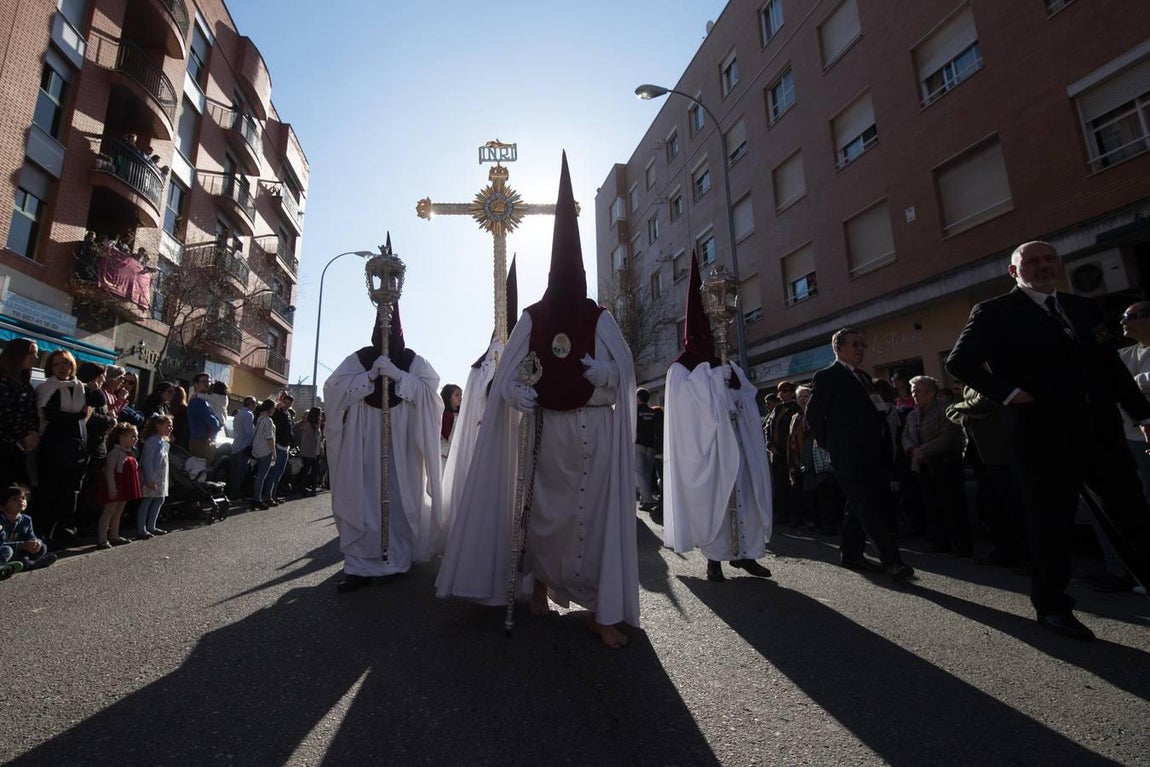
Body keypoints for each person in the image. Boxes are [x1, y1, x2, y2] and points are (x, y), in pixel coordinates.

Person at [436, 153, 639, 648]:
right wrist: (515, 394)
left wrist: (607, 373)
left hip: (596, 433)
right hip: (548, 434)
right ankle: (540, 589)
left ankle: (599, 610)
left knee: (595, 521)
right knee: (545, 516)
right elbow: (504, 378)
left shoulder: (601, 317)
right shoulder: (532, 316)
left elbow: (626, 377)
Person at [946, 240, 1150, 639]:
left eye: (1048, 259)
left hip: (1099, 431)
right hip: (1041, 436)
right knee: (1050, 522)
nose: (1042, 266)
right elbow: (959, 361)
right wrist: (1010, 393)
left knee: (1133, 512)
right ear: (1014, 270)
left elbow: (1112, 369)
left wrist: (1143, 415)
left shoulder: (1083, 308)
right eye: (1032, 261)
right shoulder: (994, 312)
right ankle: (1053, 607)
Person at [662, 252, 773, 583]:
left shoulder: (726, 361)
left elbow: (747, 397)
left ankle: (747, 554)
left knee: (746, 500)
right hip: (708, 452)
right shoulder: (680, 369)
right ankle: (716, 560)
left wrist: (732, 388)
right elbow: (685, 410)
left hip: (737, 445)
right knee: (717, 502)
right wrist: (712, 384)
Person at [324, 302, 444, 592]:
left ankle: (397, 559)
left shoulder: (414, 361)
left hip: (403, 442)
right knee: (362, 498)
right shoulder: (360, 358)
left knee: (402, 498)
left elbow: (432, 396)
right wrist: (369, 378)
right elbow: (332, 389)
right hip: (362, 443)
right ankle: (359, 566)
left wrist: (400, 375)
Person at [805, 328, 915, 581]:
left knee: (859, 505)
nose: (860, 349)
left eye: (862, 345)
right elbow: (813, 415)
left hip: (872, 453)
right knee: (867, 505)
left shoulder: (864, 377)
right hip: (847, 455)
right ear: (838, 348)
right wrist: (830, 445)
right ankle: (892, 561)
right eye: (854, 344)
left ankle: (851, 554)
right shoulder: (827, 376)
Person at [441, 258, 518, 537]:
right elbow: (478, 399)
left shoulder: (526, 363)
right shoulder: (480, 370)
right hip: (484, 441)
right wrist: (493, 363)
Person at [902, 375, 970, 556]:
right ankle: (938, 541)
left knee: (952, 503)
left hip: (944, 463)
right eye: (913, 391)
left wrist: (923, 450)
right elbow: (906, 436)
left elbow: (948, 437)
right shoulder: (913, 414)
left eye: (918, 391)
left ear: (931, 393)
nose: (914, 394)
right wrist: (912, 450)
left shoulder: (945, 410)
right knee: (931, 504)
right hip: (923, 465)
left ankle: (960, 543)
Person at [33, 350, 89, 542]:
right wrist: (77, 415)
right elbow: (52, 416)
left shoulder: (80, 387)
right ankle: (44, 534)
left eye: (65, 363)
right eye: (57, 364)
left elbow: (95, 402)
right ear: (50, 367)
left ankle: (64, 533)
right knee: (50, 493)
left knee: (69, 495)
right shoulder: (46, 388)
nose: (62, 367)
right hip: (53, 448)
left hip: (76, 449)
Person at [0, 338, 40, 489]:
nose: (35, 357)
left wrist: (33, 433)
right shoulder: (2, 381)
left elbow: (32, 412)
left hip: (20, 453)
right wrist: (21, 437)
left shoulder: (26, 384)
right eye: (31, 353)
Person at [96, 422, 141, 549]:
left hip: (124, 487)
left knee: (119, 511)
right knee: (109, 511)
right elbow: (109, 472)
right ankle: (102, 538)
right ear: (122, 437)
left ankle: (114, 535)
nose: (135, 440)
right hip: (116, 486)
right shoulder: (115, 453)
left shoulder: (129, 452)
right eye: (132, 437)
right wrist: (112, 487)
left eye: (136, 437)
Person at [1, 483, 56, 572]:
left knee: (42, 547)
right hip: (7, 551)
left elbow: (31, 536)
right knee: (8, 551)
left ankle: (25, 563)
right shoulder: (1, 521)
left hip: (20, 550)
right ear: (2, 507)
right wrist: (22, 545)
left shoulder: (26, 519)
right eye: (15, 499)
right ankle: (31, 564)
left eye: (23, 498)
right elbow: (1, 544)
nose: (21, 501)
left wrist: (36, 542)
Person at [136, 414, 172, 539]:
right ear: (158, 426)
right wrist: (149, 479)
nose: (170, 428)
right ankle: (142, 528)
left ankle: (151, 526)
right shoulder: (152, 441)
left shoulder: (162, 441)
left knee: (159, 499)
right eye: (168, 425)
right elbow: (147, 460)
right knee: (147, 500)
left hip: (160, 477)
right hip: (152, 476)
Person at [248, 400, 278, 510]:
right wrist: (274, 453)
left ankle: (256, 497)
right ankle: (257, 499)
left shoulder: (259, 418)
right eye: (274, 408)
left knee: (258, 476)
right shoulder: (268, 420)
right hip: (265, 450)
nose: (274, 410)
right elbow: (270, 438)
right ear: (269, 408)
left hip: (256, 450)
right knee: (261, 476)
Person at [266, 391, 295, 500]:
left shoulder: (288, 414)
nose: (287, 405)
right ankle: (268, 496)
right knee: (273, 473)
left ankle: (274, 495)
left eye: (289, 404)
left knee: (279, 474)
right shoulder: (277, 413)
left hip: (286, 447)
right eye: (285, 403)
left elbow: (289, 429)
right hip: (278, 446)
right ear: (281, 402)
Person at [635, 388, 660, 511]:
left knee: (638, 473)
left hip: (638, 445)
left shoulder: (635, 411)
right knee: (647, 474)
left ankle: (648, 500)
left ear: (638, 398)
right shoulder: (652, 412)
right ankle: (645, 501)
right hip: (651, 446)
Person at [186, 373, 220, 461]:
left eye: (208, 381)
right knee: (200, 471)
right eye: (203, 381)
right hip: (200, 442)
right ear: (196, 384)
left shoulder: (204, 401)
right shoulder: (198, 402)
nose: (207, 384)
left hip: (202, 440)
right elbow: (213, 422)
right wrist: (217, 422)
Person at [228, 396, 256, 500]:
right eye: (255, 404)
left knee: (234, 471)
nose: (255, 406)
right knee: (240, 472)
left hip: (236, 445)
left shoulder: (238, 414)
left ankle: (231, 492)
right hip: (244, 446)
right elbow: (249, 432)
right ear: (251, 404)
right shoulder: (249, 415)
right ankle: (236, 493)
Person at [296, 407, 323, 497]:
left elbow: (319, 439)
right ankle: (302, 489)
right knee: (306, 471)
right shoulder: (308, 425)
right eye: (319, 413)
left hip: (316, 452)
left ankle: (313, 489)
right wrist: (318, 428)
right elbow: (313, 438)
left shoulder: (316, 424)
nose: (320, 415)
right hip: (309, 452)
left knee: (315, 471)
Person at [439, 384, 461, 471]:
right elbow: (438, 438)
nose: (460, 397)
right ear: (449, 397)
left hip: (459, 457)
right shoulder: (443, 416)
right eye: (457, 395)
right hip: (445, 458)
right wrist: (449, 450)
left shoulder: (462, 416)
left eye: (461, 395)